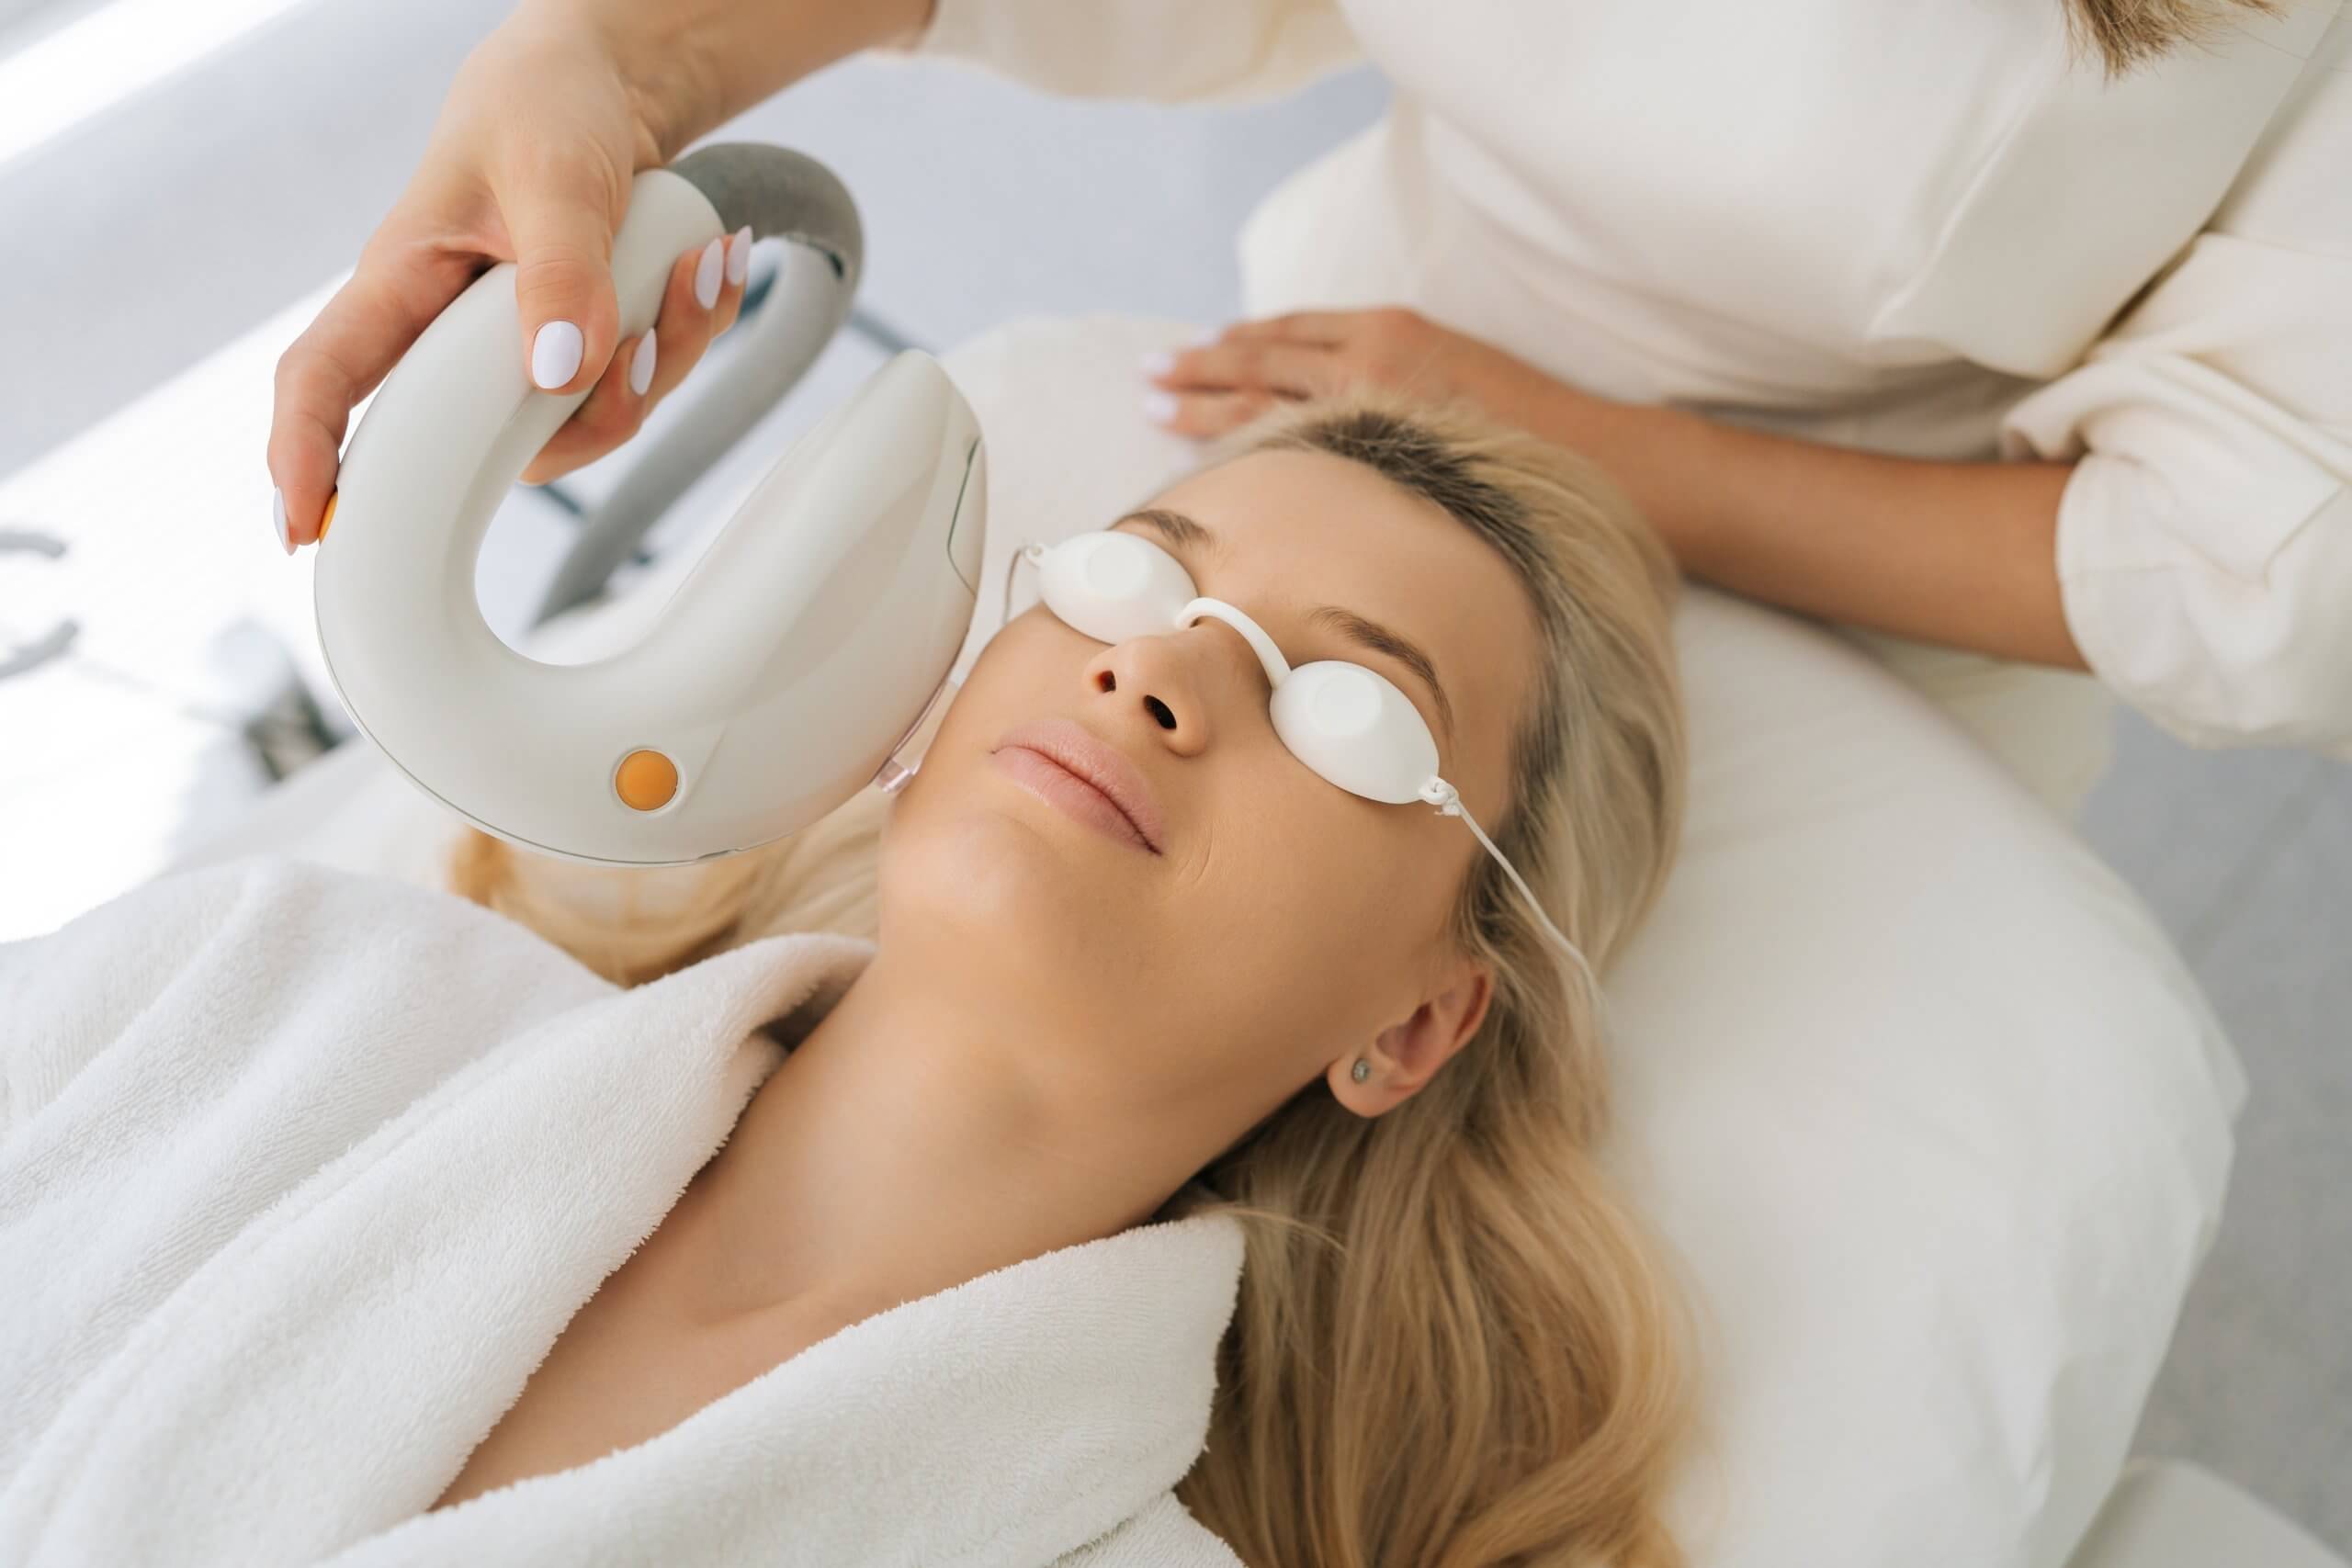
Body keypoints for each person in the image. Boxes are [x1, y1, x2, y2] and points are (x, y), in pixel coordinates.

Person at [266, 0, 2352, 818]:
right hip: (1335, 387)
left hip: (1849, 570)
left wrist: (1561, 433)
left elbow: (2276, 565)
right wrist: (608, 68)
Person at [435, 387, 1697, 1562]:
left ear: (1417, 1023)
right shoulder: (316, 988)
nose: (1154, 669)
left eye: (1350, 707)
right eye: (1135, 575)